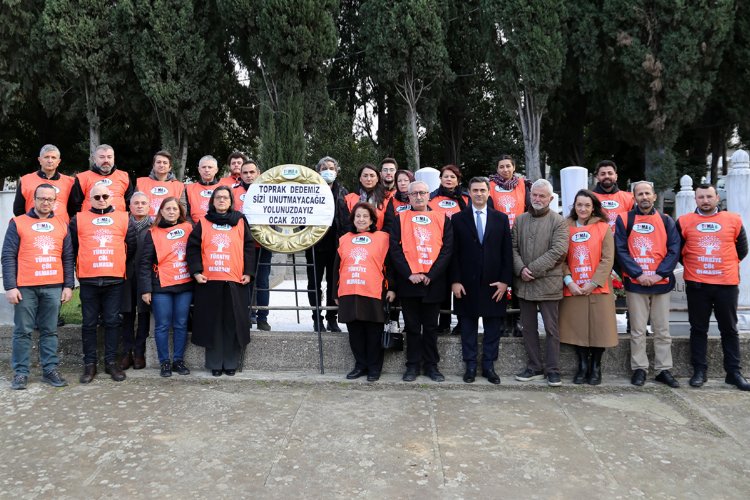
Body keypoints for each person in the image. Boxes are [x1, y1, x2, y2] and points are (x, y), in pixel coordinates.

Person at [677, 183, 750, 391]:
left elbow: (742, 249)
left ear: (717, 198)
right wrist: (696, 265)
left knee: (729, 329)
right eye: (701, 197)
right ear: (696, 200)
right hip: (697, 284)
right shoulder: (684, 221)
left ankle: (734, 372)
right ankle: (699, 371)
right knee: (698, 329)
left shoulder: (733, 220)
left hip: (726, 284)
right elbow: (680, 251)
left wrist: (722, 264)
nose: (705, 201)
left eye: (709, 196)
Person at [3, 184, 74, 389]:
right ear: (34, 199)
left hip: (53, 286)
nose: (45, 202)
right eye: (41, 198)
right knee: (22, 331)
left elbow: (68, 257)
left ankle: (49, 370)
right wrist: (10, 286)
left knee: (50, 330)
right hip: (25, 287)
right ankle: (20, 372)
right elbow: (8, 256)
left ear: (55, 202)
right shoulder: (18, 223)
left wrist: (68, 285)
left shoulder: (62, 224)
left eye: (50, 199)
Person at [614, 181, 680, 388]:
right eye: (639, 194)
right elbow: (620, 250)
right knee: (638, 330)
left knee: (662, 329)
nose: (644, 197)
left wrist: (659, 274)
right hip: (636, 283)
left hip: (661, 283)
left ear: (654, 197)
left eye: (647, 193)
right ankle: (639, 368)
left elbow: (674, 249)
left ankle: (663, 369)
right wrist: (638, 274)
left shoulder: (666, 220)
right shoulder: (624, 219)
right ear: (634, 198)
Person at [70, 185, 137, 383]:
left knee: (112, 321)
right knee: (89, 323)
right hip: (89, 280)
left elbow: (130, 247)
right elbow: (72, 247)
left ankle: (111, 363)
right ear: (90, 199)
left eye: (105, 196)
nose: (101, 199)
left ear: (111, 198)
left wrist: (116, 262)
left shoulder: (124, 218)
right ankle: (89, 365)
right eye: (97, 196)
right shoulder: (78, 219)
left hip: (114, 279)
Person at [186, 186, 254, 376]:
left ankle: (231, 363)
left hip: (235, 281)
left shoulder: (240, 221)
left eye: (225, 197)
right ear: (212, 201)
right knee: (213, 324)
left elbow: (249, 247)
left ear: (231, 201)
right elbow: (192, 248)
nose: (222, 200)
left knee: (232, 323)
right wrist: (197, 271)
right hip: (209, 282)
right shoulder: (204, 222)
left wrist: (248, 272)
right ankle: (215, 364)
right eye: (218, 198)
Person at [450, 177, 512, 384]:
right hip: (466, 284)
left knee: (492, 328)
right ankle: (470, 366)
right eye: (475, 190)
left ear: (488, 192)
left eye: (482, 190)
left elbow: (507, 253)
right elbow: (454, 253)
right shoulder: (457, 219)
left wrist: (505, 281)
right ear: (469, 192)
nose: (479, 193)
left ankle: (488, 366)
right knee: (467, 327)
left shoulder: (501, 219)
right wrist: (455, 281)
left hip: (494, 284)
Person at [390, 180, 453, 382]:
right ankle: (412, 366)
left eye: (423, 193)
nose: (418, 196)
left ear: (429, 195)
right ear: (408, 196)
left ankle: (432, 366)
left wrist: (431, 275)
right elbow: (395, 250)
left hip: (432, 283)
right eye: (414, 193)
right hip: (409, 283)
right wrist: (409, 274)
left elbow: (447, 250)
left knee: (431, 328)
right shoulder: (399, 218)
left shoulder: (442, 218)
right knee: (412, 327)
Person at [512, 179, 568, 387]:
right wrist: (520, 269)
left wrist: (531, 270)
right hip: (524, 283)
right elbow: (513, 248)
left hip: (548, 283)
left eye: (542, 196)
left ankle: (553, 369)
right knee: (528, 328)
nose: (537, 199)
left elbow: (558, 250)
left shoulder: (558, 221)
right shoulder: (520, 220)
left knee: (552, 329)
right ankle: (534, 366)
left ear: (550, 198)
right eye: (534, 195)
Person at [559, 190, 617, 385]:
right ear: (574, 206)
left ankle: (596, 366)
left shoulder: (603, 228)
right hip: (574, 287)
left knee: (599, 328)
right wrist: (569, 281)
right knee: (578, 328)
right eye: (579, 205)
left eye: (587, 205)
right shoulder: (565, 227)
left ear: (593, 208)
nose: (582, 209)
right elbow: (561, 257)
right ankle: (583, 365)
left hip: (598, 287)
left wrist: (593, 282)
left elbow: (608, 258)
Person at [333, 202, 395, 382]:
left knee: (373, 332)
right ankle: (360, 365)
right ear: (353, 219)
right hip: (349, 290)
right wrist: (335, 294)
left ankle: (375, 368)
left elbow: (390, 266)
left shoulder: (383, 238)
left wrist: (392, 287)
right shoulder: (344, 238)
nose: (361, 219)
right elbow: (336, 267)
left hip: (374, 291)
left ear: (372, 220)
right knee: (355, 332)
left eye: (365, 216)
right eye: (358, 216)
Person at [139, 197, 194, 377]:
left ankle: (178, 360)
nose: (171, 211)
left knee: (181, 324)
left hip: (184, 284)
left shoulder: (189, 229)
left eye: (175, 209)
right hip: (161, 285)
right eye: (168, 208)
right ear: (161, 211)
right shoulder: (152, 233)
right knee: (162, 325)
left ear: (180, 212)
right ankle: (164, 362)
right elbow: (145, 263)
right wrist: (146, 289)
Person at [306, 156, 350, 332]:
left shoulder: (344, 193)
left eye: (331, 167)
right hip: (315, 244)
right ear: (317, 171)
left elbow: (348, 219)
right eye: (324, 167)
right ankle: (317, 318)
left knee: (335, 282)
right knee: (314, 283)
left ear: (337, 171)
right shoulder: (309, 191)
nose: (328, 170)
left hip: (337, 244)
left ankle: (332, 317)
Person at [488, 154, 529, 337]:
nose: (505, 170)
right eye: (501, 167)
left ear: (514, 167)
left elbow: (529, 209)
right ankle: (502, 320)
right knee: (501, 279)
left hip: (519, 237)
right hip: (498, 238)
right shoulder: (490, 186)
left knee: (518, 280)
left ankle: (518, 321)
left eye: (508, 166)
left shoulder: (524, 185)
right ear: (497, 169)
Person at [429, 164, 469, 335]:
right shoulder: (431, 199)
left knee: (461, 284)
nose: (449, 179)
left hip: (461, 247)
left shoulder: (466, 199)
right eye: (446, 176)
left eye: (453, 177)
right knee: (442, 285)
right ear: (440, 179)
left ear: (458, 180)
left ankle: (461, 322)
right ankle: (443, 322)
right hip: (439, 247)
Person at [234, 159, 273, 331]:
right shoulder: (233, 192)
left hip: (263, 244)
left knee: (262, 282)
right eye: (245, 173)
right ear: (240, 175)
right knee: (244, 281)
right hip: (240, 245)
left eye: (252, 172)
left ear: (258, 173)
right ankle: (247, 315)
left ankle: (263, 316)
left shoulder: (269, 191)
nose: (249, 176)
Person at [119, 192, 152, 371]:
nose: (139, 206)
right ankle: (127, 352)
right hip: (126, 275)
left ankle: (139, 352)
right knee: (127, 313)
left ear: (149, 206)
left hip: (146, 276)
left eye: (143, 203)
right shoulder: (122, 223)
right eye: (136, 203)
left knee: (144, 313)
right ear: (130, 206)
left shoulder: (155, 226)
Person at [382, 169, 415, 333]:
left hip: (414, 249)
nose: (402, 183)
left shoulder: (417, 199)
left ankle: (411, 323)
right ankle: (393, 322)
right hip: (396, 247)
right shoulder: (393, 202)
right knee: (394, 284)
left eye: (405, 180)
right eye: (399, 181)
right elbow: (388, 224)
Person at [14, 144, 75, 223]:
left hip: (61, 229)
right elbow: (18, 210)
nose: (50, 161)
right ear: (40, 160)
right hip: (33, 227)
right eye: (46, 157)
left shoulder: (70, 182)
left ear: (58, 161)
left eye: (53, 157)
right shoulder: (26, 180)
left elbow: (73, 209)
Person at [69, 144, 133, 213]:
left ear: (113, 158)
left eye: (109, 157)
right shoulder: (82, 178)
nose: (106, 160)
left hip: (118, 221)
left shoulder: (124, 176)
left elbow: (130, 203)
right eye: (102, 157)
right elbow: (74, 206)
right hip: (90, 221)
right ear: (94, 159)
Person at [136, 150, 185, 219]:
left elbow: (183, 209)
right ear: (153, 165)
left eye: (165, 163)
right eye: (158, 162)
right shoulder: (141, 183)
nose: (161, 165)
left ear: (170, 167)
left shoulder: (179, 186)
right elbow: (134, 206)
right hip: (145, 225)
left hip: (169, 225)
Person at [592, 160, 634, 232]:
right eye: (603, 174)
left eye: (610, 173)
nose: (607, 176)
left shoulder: (629, 198)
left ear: (616, 176)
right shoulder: (590, 198)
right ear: (597, 177)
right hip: (597, 240)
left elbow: (634, 221)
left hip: (622, 240)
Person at [344, 164, 387, 230]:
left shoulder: (386, 199)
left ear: (377, 178)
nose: (369, 179)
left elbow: (389, 224)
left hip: (379, 237)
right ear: (360, 179)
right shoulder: (349, 199)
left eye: (372, 176)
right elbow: (345, 222)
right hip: (354, 237)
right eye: (365, 176)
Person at [185, 155, 221, 223]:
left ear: (216, 170)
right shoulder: (189, 188)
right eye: (203, 167)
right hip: (195, 227)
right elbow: (186, 213)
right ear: (199, 170)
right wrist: (194, 227)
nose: (206, 170)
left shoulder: (224, 188)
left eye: (210, 167)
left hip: (218, 226)